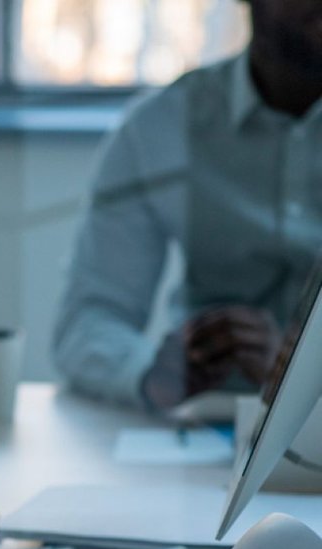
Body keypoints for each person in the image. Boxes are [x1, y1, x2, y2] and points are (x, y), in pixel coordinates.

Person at [52, 0, 322, 412]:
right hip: (204, 424)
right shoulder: (160, 128)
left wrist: (303, 375)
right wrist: (152, 374)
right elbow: (87, 323)